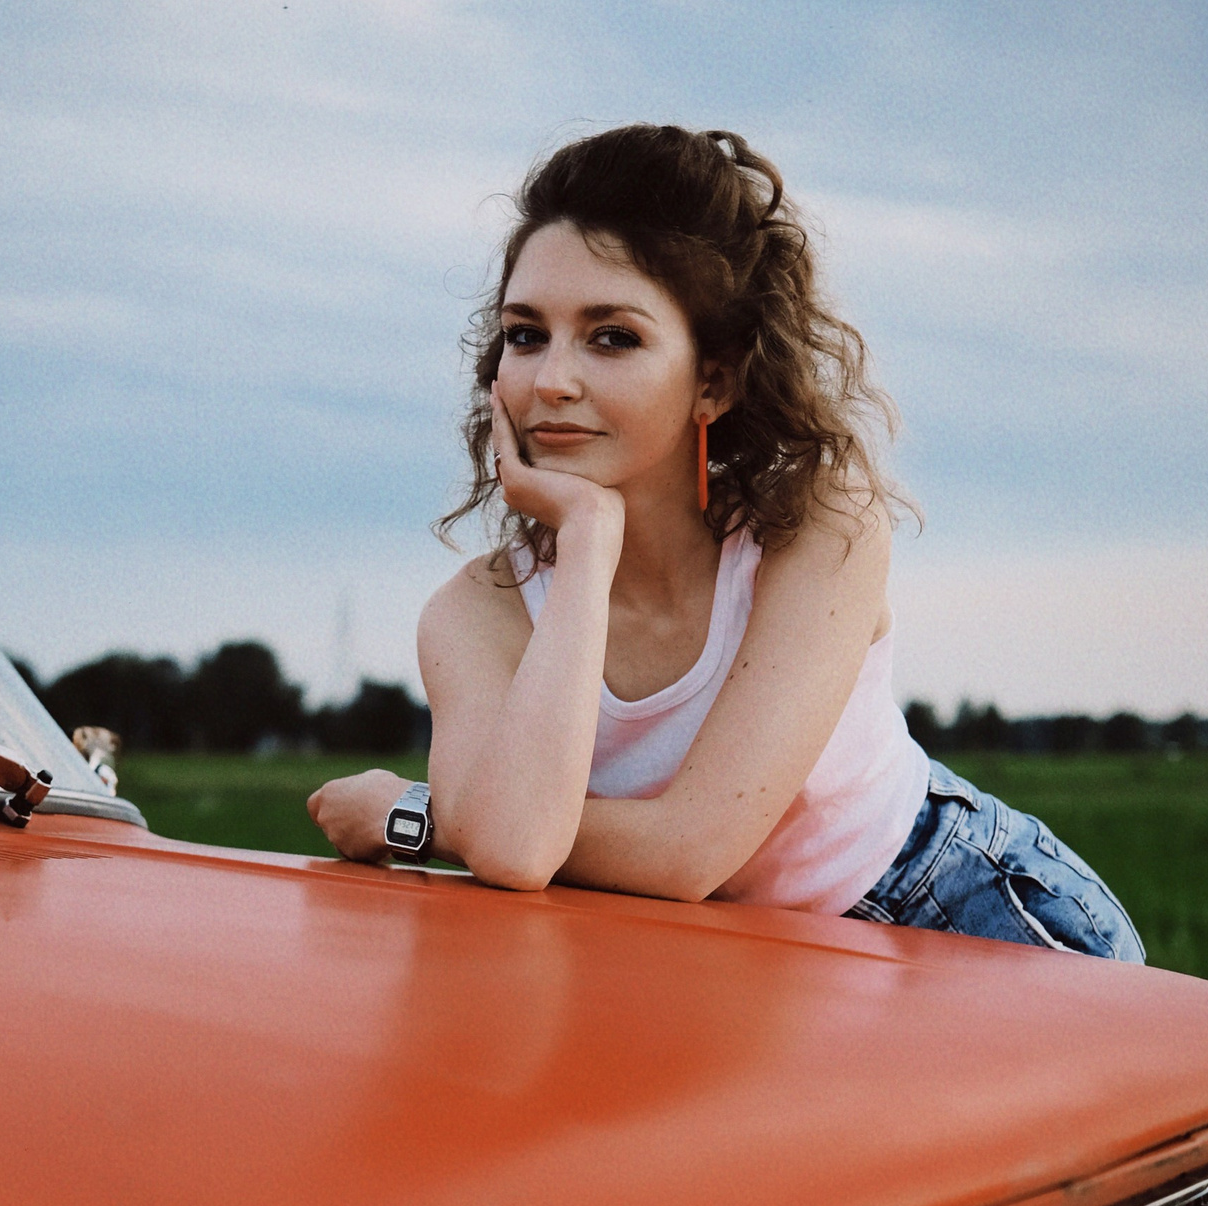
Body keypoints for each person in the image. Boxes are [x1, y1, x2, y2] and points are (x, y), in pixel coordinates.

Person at [307, 124, 1143, 962]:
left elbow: (688, 853)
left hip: (945, 913)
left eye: (613, 336)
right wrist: (589, 538)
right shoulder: (474, 615)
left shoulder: (816, 525)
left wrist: (425, 816)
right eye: (526, 334)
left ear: (714, 381)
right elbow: (518, 851)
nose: (551, 380)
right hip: (727, 957)